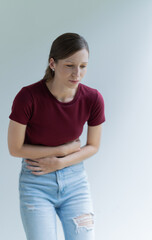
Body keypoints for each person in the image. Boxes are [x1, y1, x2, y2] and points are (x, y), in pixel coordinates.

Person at [8, 32, 106, 240]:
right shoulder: (28, 97)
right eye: (70, 65)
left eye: (83, 66)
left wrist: (61, 163)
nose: (77, 73)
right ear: (53, 63)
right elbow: (15, 148)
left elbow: (93, 145)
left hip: (75, 182)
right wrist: (61, 151)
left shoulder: (93, 99)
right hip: (36, 183)